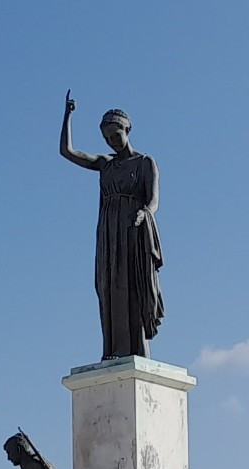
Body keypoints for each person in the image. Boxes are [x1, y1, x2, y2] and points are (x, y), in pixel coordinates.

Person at [59, 94, 163, 361]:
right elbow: (67, 152)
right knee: (109, 285)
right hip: (108, 230)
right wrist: (68, 116)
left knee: (131, 285)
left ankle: (137, 348)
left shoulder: (144, 162)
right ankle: (113, 348)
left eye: (115, 136)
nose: (111, 142)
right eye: (107, 139)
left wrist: (143, 214)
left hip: (133, 228)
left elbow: (153, 200)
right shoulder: (105, 164)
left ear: (127, 129)